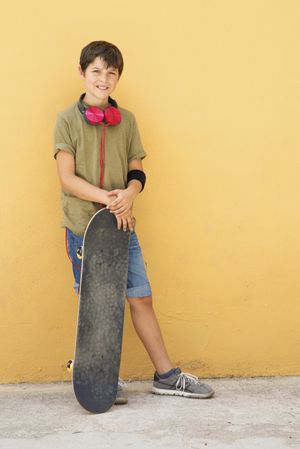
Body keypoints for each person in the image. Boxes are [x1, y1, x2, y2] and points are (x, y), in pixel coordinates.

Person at [53, 40, 214, 404]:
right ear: (82, 73)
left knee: (141, 297)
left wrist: (129, 193)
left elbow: (137, 170)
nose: (103, 79)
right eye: (96, 71)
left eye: (111, 73)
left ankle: (167, 375)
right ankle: (99, 377)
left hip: (121, 225)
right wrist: (106, 197)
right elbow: (66, 177)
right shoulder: (66, 120)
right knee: (94, 305)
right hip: (85, 228)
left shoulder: (127, 120)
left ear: (118, 77)